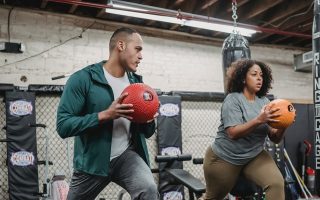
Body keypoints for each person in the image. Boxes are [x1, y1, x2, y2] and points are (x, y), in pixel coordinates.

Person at [56, 27, 159, 200]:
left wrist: (149, 118)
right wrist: (104, 115)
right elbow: (63, 126)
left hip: (126, 157)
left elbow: (148, 133)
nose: (141, 56)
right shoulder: (83, 79)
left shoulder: (137, 84)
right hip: (92, 162)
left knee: (148, 189)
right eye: (137, 49)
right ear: (121, 45)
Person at [203, 59, 285, 200]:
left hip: (254, 155)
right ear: (243, 79)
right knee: (212, 198)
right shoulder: (233, 100)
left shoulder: (264, 102)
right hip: (224, 157)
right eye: (254, 74)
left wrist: (284, 124)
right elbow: (233, 133)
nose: (259, 78)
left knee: (276, 183)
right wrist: (259, 119)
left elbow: (275, 138)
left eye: (261, 75)